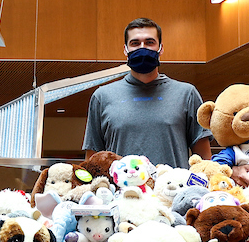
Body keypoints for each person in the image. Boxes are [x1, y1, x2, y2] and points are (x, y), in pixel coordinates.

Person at [83, 17, 212, 168]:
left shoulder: (186, 94)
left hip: (171, 184)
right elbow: (92, 163)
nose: (142, 48)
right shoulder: (102, 97)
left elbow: (205, 162)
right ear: (125, 49)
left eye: (150, 42)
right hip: (120, 184)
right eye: (135, 43)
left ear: (160, 48)